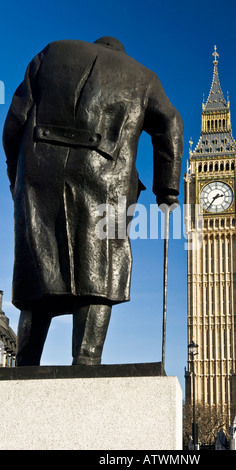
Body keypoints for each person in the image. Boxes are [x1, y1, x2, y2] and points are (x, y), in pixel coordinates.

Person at [2, 37, 184, 366]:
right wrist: (166, 190)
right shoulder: (143, 76)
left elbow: (15, 120)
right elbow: (170, 122)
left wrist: (16, 173)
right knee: (100, 270)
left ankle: (25, 364)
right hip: (106, 178)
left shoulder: (52, 51)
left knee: (38, 269)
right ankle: (86, 361)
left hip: (39, 173)